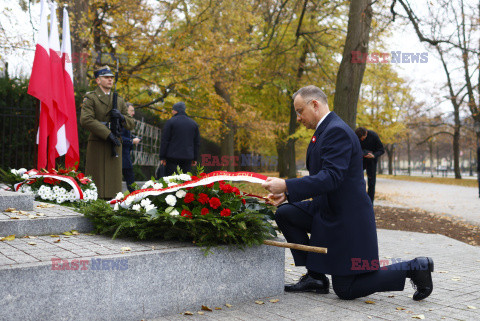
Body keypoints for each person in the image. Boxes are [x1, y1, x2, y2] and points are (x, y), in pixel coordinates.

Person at [262, 85, 434, 301]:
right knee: (286, 213)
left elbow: (331, 177)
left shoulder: (336, 131)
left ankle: (415, 267)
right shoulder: (324, 131)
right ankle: (315, 277)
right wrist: (287, 196)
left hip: (347, 220)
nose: (298, 118)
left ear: (314, 104)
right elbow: (323, 179)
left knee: (346, 289)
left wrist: (287, 185)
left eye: (299, 111)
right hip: (327, 209)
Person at [80, 66, 134, 199]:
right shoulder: (91, 98)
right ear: (98, 80)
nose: (110, 80)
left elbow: (131, 123)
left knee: (113, 183)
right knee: (96, 181)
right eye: (106, 77)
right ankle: (95, 203)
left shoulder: (119, 100)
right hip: (98, 142)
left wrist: (121, 117)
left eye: (111, 77)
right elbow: (86, 120)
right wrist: (107, 133)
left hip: (114, 143)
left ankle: (112, 204)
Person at [159, 102, 200, 176]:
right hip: (187, 157)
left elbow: (165, 140)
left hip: (172, 157)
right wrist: (195, 158)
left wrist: (162, 157)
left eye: (172, 110)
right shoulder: (193, 124)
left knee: (171, 180)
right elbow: (196, 143)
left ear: (175, 110)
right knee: (185, 180)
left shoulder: (170, 122)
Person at [355, 126, 384, 203]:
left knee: (371, 183)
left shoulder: (373, 136)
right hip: (361, 161)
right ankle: (358, 200)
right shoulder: (356, 137)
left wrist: (374, 155)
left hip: (371, 161)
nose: (361, 139)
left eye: (363, 138)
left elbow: (381, 150)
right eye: (360, 138)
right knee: (356, 180)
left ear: (366, 133)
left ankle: (370, 203)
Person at [121, 103, 141, 193]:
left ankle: (136, 194)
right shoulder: (122, 121)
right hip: (122, 155)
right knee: (130, 178)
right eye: (132, 110)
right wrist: (132, 141)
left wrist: (133, 138)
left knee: (130, 177)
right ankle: (136, 195)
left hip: (125, 155)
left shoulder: (126, 121)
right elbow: (119, 137)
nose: (133, 113)